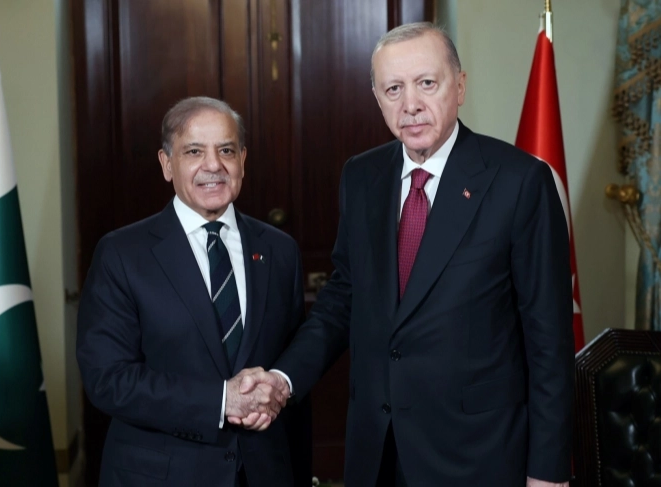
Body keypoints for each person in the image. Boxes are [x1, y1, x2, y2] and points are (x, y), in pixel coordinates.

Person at [235, 22, 574, 487]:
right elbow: (344, 298)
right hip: (377, 451)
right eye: (393, 89)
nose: (410, 104)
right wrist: (283, 378)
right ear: (378, 98)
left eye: (426, 83)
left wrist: (548, 472)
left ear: (460, 87)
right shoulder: (361, 177)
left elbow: (549, 339)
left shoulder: (519, 182)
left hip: (477, 455)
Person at [76, 96, 311, 487]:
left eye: (226, 150)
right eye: (194, 151)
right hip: (163, 476)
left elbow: (292, 370)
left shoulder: (279, 250)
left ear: (242, 160)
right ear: (167, 164)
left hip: (265, 472)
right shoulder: (122, 254)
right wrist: (221, 400)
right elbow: (108, 379)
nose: (213, 165)